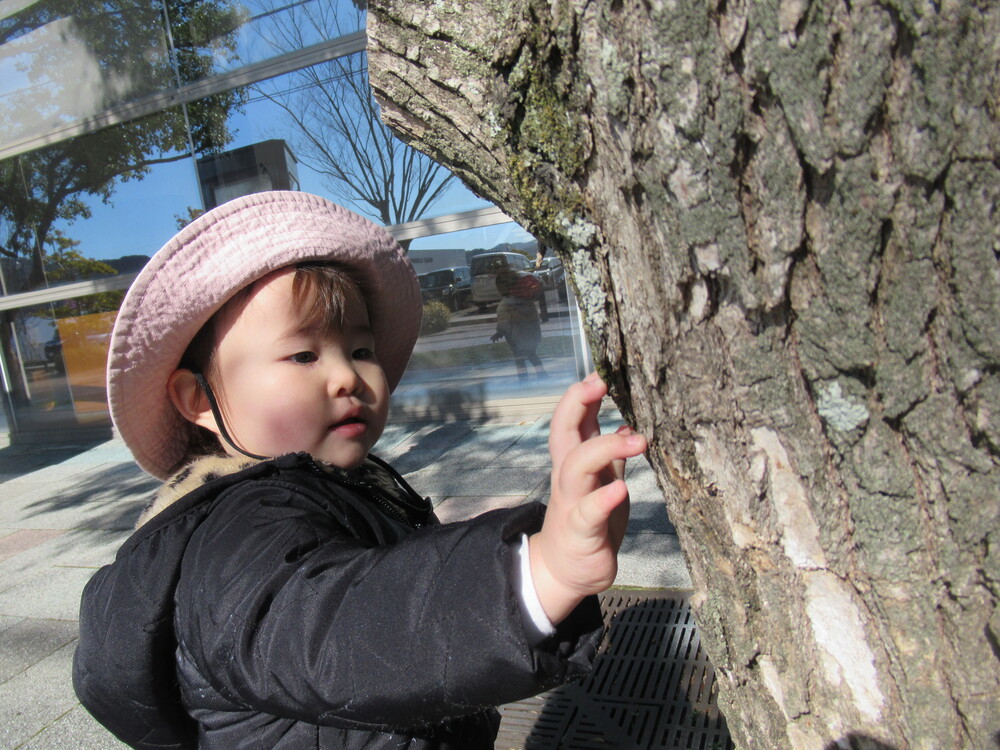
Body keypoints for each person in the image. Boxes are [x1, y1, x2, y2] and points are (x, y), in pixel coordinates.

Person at [73, 191, 646, 750]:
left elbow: (391, 571)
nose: (347, 376)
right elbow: (338, 628)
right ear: (197, 399)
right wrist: (537, 571)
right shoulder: (234, 536)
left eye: (361, 350)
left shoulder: (335, 484)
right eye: (303, 355)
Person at [491, 269, 547, 380]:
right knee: (532, 355)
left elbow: (504, 320)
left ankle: (523, 377)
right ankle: (542, 374)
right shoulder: (528, 302)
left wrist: (500, 332)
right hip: (532, 335)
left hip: (516, 338)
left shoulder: (505, 304)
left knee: (519, 358)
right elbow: (535, 318)